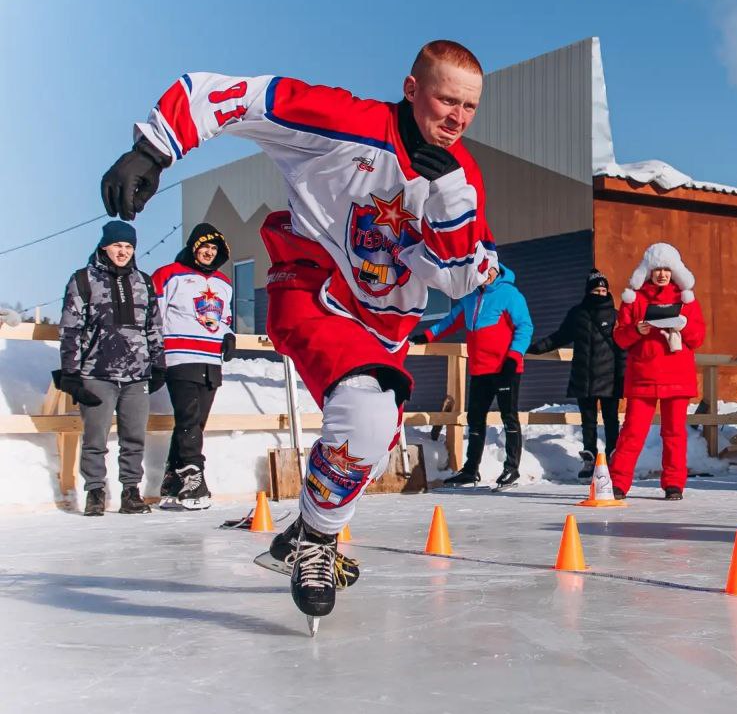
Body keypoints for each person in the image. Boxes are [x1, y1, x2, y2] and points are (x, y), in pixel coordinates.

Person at [101, 40, 497, 625]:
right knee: (365, 413)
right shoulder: (344, 122)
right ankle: (318, 543)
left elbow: (465, 276)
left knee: (372, 434)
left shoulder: (460, 176)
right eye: (445, 100)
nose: (456, 119)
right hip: (312, 290)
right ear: (412, 90)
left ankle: (305, 535)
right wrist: (154, 149)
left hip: (385, 327)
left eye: (468, 108)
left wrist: (450, 205)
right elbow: (235, 96)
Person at [57, 221, 166, 516]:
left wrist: (159, 364)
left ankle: (131, 492)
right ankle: (95, 491)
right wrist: (70, 373)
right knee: (96, 437)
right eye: (118, 245)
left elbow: (153, 326)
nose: (123, 252)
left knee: (134, 437)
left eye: (129, 247)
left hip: (137, 374)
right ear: (105, 246)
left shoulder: (143, 281)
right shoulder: (83, 280)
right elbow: (70, 330)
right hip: (97, 373)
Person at [420, 264, 532, 489]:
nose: (485, 274)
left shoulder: (509, 294)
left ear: (496, 269)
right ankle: (471, 470)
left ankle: (511, 469)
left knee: (508, 418)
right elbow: (450, 321)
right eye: (480, 270)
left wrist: (513, 357)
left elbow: (525, 327)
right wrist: (426, 336)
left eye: (488, 269)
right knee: (475, 420)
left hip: (505, 369)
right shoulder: (470, 297)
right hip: (480, 370)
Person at [609, 243, 706, 500]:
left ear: (674, 271)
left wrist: (682, 326)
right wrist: (635, 331)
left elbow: (698, 338)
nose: (661, 274)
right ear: (648, 271)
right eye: (656, 269)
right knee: (632, 431)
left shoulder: (686, 299)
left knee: (674, 433)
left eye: (666, 269)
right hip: (643, 376)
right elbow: (619, 338)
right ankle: (617, 483)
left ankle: (674, 484)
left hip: (677, 376)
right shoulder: (634, 299)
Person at [151, 223, 236, 509]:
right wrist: (155, 355)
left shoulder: (224, 283)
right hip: (180, 356)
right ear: (193, 247)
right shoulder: (169, 275)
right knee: (188, 418)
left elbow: (226, 318)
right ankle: (194, 476)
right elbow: (154, 317)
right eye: (204, 247)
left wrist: (229, 336)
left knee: (196, 422)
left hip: (211, 360)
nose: (209, 253)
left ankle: (173, 480)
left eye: (214, 249)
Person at [528, 269, 626, 478]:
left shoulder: (615, 316)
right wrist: (534, 348)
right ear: (588, 291)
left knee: (611, 420)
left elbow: (623, 348)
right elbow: (560, 336)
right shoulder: (578, 314)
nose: (600, 293)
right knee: (587, 420)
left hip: (610, 377)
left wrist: (623, 376)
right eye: (596, 290)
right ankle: (589, 459)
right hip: (585, 375)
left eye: (603, 290)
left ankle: (612, 458)